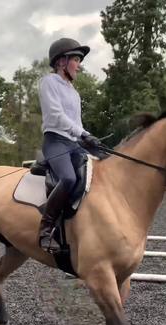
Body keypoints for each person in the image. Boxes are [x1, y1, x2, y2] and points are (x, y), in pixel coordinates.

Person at [38, 37, 101, 252]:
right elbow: (56, 116)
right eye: (76, 59)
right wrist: (82, 133)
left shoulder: (74, 93)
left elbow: (77, 123)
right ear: (61, 62)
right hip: (55, 141)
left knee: (101, 168)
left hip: (73, 143)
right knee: (68, 178)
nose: (79, 65)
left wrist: (88, 138)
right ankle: (45, 229)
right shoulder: (48, 82)